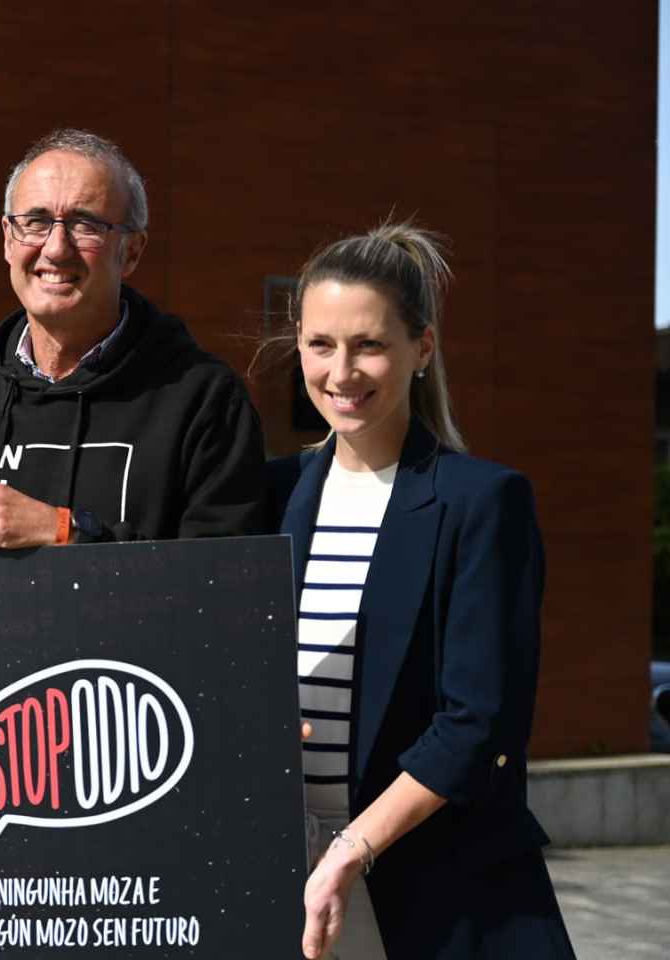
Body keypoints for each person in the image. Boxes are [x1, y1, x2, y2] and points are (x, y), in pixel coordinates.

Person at [266, 223, 576, 959]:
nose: (342, 372)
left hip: (431, 887)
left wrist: (351, 848)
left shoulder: (481, 501)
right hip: (284, 877)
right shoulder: (266, 496)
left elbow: (478, 723)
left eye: (369, 344)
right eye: (320, 345)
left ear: (422, 350)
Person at [0, 128, 264, 555]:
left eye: (85, 224)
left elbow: (223, 586)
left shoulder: (205, 400)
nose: (55, 248)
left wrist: (66, 531)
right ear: (8, 240)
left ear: (132, 252)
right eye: (35, 222)